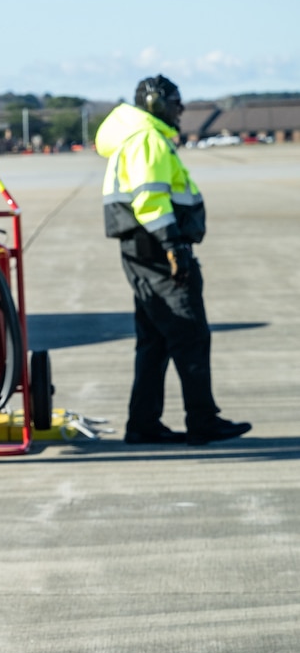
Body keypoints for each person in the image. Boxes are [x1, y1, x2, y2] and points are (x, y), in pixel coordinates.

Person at [95, 75, 251, 446]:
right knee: (189, 334)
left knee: (156, 340)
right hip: (158, 253)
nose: (179, 109)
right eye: (174, 102)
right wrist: (174, 247)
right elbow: (149, 200)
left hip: (144, 252)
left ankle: (144, 423)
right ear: (153, 103)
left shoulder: (140, 135)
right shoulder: (147, 139)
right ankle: (203, 420)